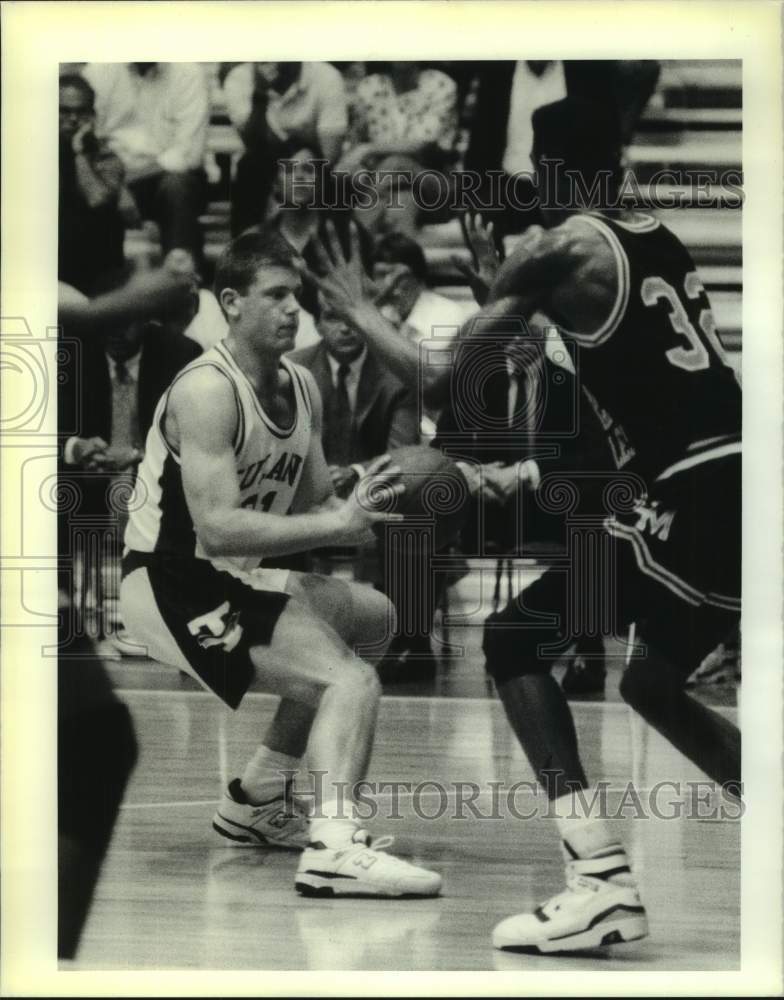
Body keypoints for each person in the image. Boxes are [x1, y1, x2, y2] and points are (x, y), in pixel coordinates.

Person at [304, 94, 741, 950]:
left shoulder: (555, 245)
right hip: (736, 481)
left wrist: (361, 313)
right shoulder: (654, 237)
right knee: (651, 685)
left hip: (691, 493)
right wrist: (501, 301)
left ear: (547, 176)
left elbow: (442, 389)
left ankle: (599, 880)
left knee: (513, 640)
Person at [119, 229, 442, 898]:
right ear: (231, 302)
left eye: (297, 295)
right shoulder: (206, 390)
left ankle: (256, 801)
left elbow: (319, 500)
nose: (293, 309)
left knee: (376, 618)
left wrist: (378, 488)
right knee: (347, 682)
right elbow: (217, 527)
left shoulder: (300, 383)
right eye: (276, 296)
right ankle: (333, 846)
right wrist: (334, 522)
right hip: (171, 582)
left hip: (232, 574)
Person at [290, 294, 418, 498]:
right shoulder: (292, 371)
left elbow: (404, 454)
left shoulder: (398, 374)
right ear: (317, 325)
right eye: (333, 317)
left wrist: (357, 472)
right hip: (306, 496)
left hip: (378, 494)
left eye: (351, 318)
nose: (345, 328)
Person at [83, 62, 209, 264]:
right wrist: (118, 188)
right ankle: (102, 287)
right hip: (110, 174)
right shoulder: (99, 70)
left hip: (169, 176)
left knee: (177, 187)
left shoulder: (188, 72)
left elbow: (187, 154)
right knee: (91, 193)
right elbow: (89, 140)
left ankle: (185, 283)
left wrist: (121, 185)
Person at [223, 63, 348, 236]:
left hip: (314, 164)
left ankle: (331, 248)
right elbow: (254, 145)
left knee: (335, 178)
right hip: (266, 166)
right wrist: (260, 95)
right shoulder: (240, 78)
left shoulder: (326, 76)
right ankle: (245, 252)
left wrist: (298, 163)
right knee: (249, 167)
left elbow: (330, 153)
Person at [58, 74, 129, 295]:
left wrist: (79, 154)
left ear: (92, 116)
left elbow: (96, 199)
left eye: (81, 112)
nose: (72, 119)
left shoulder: (105, 156)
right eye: (64, 111)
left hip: (95, 270)